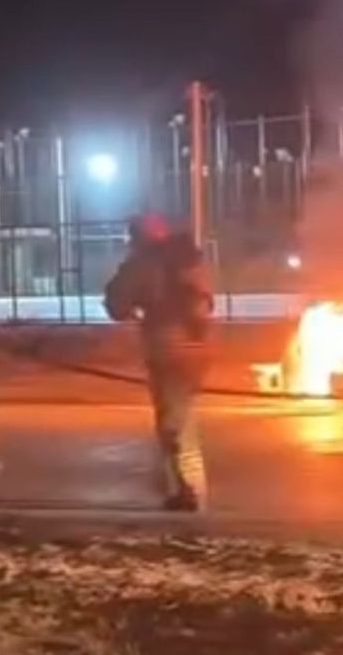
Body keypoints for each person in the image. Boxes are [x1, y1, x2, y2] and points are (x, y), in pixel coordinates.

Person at [104, 213, 214, 511]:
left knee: (173, 423)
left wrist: (133, 310)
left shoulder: (144, 263)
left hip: (166, 346)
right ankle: (187, 488)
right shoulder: (191, 259)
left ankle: (189, 492)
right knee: (183, 417)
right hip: (199, 347)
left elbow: (116, 302)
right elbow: (205, 302)